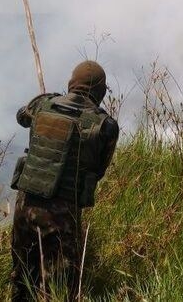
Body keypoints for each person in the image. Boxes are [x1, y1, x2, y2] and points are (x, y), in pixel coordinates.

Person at [10, 60, 119, 301]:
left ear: (72, 84)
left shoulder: (43, 104)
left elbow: (21, 116)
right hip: (61, 216)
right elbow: (98, 170)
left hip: (24, 205)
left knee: (22, 281)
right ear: (100, 92)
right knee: (59, 290)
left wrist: (47, 99)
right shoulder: (106, 126)